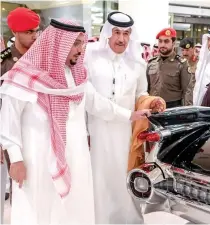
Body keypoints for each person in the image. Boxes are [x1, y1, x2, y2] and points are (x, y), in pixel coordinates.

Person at [0, 18, 150, 224]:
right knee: (39, 209)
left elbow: (97, 103)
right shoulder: (25, 76)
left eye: (82, 43)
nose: (80, 50)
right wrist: (15, 158)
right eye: (75, 44)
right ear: (57, 44)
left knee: (73, 209)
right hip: (37, 160)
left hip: (76, 158)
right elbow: (8, 120)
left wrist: (129, 115)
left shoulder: (76, 75)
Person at [84, 11, 163, 224]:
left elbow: (141, 94)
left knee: (124, 178)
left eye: (126, 33)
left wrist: (151, 102)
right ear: (107, 33)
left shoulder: (137, 62)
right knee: (99, 180)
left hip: (125, 135)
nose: (121, 39)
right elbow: (87, 99)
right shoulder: (90, 56)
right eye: (116, 32)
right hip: (97, 131)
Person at [0, 7, 40, 220]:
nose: (34, 36)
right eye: (28, 32)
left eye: (36, 31)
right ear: (15, 32)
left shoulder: (41, 58)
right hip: (11, 132)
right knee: (18, 183)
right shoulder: (4, 62)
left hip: (38, 132)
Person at [146, 28, 192, 107]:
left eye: (166, 41)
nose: (162, 45)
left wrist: (187, 112)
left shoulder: (181, 64)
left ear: (173, 43)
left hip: (173, 108)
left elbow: (187, 91)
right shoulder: (151, 63)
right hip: (153, 107)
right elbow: (146, 88)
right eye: (160, 41)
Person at [179, 37, 199, 105]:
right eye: (182, 50)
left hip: (196, 102)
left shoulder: (200, 64)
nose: (184, 53)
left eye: (187, 50)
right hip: (183, 104)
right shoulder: (180, 64)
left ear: (193, 48)